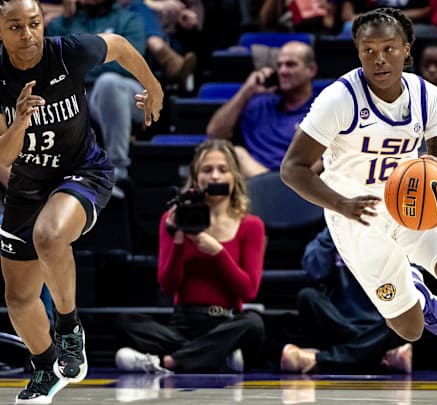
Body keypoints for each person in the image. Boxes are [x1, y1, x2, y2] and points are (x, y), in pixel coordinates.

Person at [280, 8, 437, 404]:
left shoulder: (430, 97)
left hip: (413, 201)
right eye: (368, 49)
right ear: (357, 53)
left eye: (389, 48)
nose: (379, 58)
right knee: (409, 328)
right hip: (355, 213)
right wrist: (343, 204)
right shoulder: (338, 99)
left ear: (406, 50)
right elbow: (293, 169)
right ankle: (418, 293)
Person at [0, 0, 163, 403]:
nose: (28, 35)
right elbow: (2, 158)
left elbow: (121, 45)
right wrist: (20, 121)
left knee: (49, 235)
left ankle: (69, 328)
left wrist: (153, 86)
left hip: (82, 170)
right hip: (27, 181)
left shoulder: (67, 50)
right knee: (18, 298)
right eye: (16, 27)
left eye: (34, 23)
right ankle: (45, 367)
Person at [114, 139, 266, 374]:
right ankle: (217, 357)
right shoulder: (173, 219)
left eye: (222, 170)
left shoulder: (251, 225)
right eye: (207, 170)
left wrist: (218, 252)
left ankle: (167, 362)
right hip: (183, 323)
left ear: (234, 177)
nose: (215, 176)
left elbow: (248, 291)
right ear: (196, 178)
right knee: (125, 321)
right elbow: (167, 285)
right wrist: (177, 240)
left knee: (254, 324)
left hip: (226, 321)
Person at [45, 0, 149, 194]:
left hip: (128, 93)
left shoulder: (128, 20)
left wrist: (76, 64)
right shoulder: (61, 24)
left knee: (108, 82)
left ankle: (117, 171)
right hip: (80, 93)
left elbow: (129, 64)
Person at [279, 227, 412, 374]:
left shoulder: (391, 231)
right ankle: (376, 354)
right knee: (307, 296)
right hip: (338, 322)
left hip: (378, 325)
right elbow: (314, 269)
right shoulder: (334, 229)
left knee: (410, 313)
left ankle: (319, 359)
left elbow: (410, 281)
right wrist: (333, 232)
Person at [206, 41, 317, 178]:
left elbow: (321, 163)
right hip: (252, 186)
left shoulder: (321, 111)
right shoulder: (258, 104)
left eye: (290, 65)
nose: (282, 71)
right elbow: (215, 134)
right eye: (279, 65)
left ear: (311, 70)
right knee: (234, 153)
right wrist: (246, 90)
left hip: (296, 187)